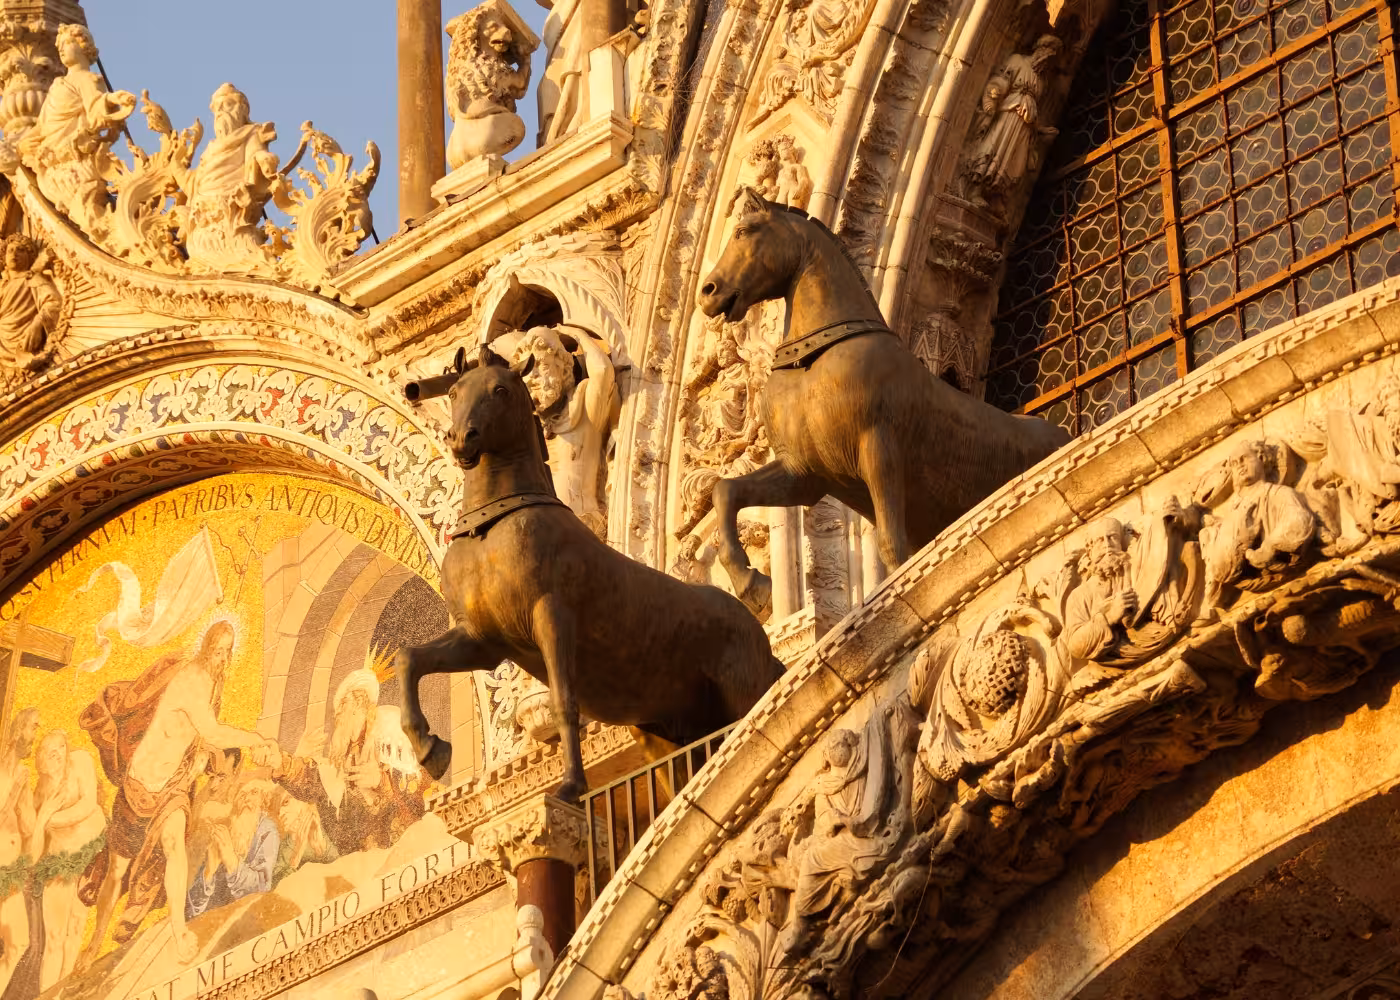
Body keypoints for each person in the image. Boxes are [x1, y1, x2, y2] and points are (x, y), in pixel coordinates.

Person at [75, 622, 278, 968]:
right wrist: (257, 739)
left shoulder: (213, 685)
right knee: (116, 870)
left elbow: (201, 738)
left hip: (172, 786)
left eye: (227, 651)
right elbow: (212, 731)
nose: (222, 657)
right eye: (217, 650)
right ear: (205, 648)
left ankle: (179, 932)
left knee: (174, 847)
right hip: (140, 785)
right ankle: (94, 943)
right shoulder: (191, 679)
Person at [271, 670, 424, 856]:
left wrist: (380, 782)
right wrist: (281, 764)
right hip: (363, 857)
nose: (338, 716)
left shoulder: (387, 730)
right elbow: (315, 780)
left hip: (400, 848)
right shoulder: (348, 754)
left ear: (357, 704)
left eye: (342, 706)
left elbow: (414, 787)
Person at [18, 24, 135, 228]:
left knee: (87, 217)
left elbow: (96, 108)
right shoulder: (58, 84)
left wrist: (112, 99)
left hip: (73, 161)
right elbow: (43, 125)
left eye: (67, 43)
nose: (61, 49)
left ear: (83, 46)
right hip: (51, 161)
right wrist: (23, 144)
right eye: (59, 46)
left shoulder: (87, 79)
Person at [511, 326, 619, 537]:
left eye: (541, 365)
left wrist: (578, 335)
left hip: (583, 531)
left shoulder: (584, 407)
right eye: (526, 371)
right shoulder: (525, 430)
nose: (532, 376)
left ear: (564, 369)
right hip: (540, 536)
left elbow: (603, 371)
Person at [178, 84, 285, 271]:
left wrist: (264, 159)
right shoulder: (209, 149)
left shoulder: (251, 133)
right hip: (204, 216)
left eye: (227, 105)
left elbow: (256, 153)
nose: (221, 112)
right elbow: (195, 182)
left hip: (233, 210)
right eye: (217, 109)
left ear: (242, 109)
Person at [30, 729, 105, 993]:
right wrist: (43, 817)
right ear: (41, 761)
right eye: (50, 752)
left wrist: (50, 819)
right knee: (54, 937)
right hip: (59, 864)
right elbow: (33, 850)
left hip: (89, 854)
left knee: (76, 926)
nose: (58, 754)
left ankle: (61, 992)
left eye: (61, 747)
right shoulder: (40, 794)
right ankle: (48, 994)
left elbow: (88, 804)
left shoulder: (81, 761)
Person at [185, 778, 279, 919]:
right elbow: (192, 907)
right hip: (214, 918)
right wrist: (209, 871)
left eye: (254, 793)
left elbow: (261, 888)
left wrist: (230, 859)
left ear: (264, 801)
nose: (247, 799)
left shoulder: (267, 831)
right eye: (242, 795)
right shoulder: (227, 831)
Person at [0, 711, 37, 997]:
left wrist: (26, 796)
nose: (34, 735)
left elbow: (27, 827)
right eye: (32, 728)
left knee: (19, 942)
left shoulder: (22, 775)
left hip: (11, 870)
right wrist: (14, 790)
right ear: (17, 731)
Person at [0, 236, 60, 376]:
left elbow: (53, 303)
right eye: (10, 250)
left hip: (25, 339)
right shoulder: (2, 286)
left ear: (30, 256)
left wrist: (37, 324)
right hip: (3, 342)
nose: (14, 254)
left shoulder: (32, 279)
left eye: (20, 250)